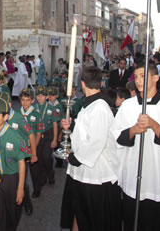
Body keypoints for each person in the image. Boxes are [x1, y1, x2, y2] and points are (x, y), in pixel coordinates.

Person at [111, 63, 160, 231]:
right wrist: (133, 130)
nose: (138, 80)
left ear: (155, 78)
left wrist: (154, 125)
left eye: (143, 76)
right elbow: (116, 136)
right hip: (132, 175)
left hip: (159, 177)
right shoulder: (127, 106)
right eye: (136, 76)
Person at [61, 66, 121, 231]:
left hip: (96, 176)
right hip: (82, 174)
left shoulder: (100, 107)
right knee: (78, 213)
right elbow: (86, 134)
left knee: (91, 220)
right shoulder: (89, 105)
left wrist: (75, 158)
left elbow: (96, 141)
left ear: (82, 83)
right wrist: (72, 127)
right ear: (100, 83)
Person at [0, 97, 28, 231]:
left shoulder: (14, 136)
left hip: (10, 178)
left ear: (5, 116)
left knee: (11, 212)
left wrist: (20, 188)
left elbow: (21, 163)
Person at [3, 91, 36, 215]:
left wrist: (33, 154)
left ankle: (26, 203)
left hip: (21, 155)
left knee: (20, 180)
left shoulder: (19, 118)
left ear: (10, 104)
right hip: (6, 155)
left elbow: (31, 135)